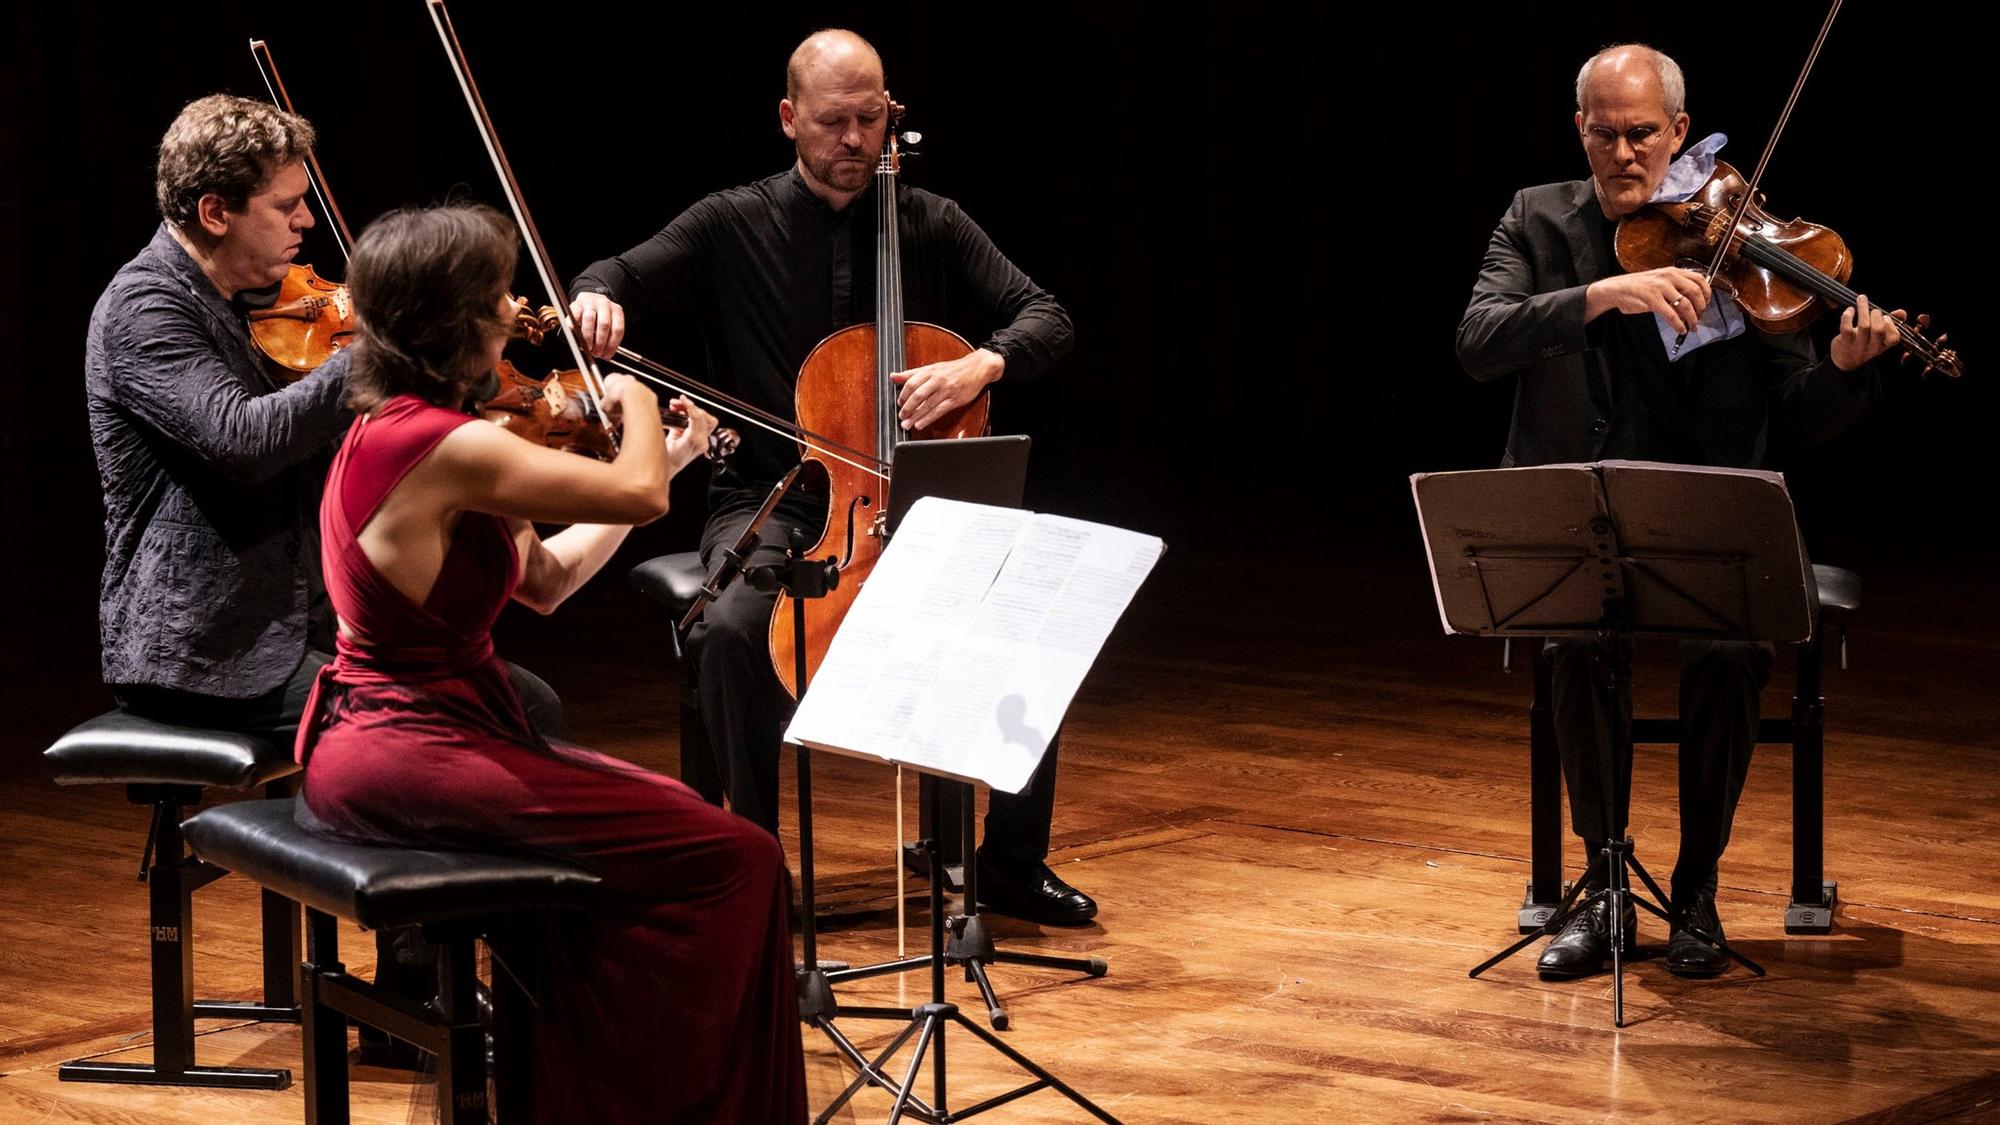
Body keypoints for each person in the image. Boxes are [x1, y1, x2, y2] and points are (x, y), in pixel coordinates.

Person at [292, 202, 806, 1122]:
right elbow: (637, 490)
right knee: (740, 856)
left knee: (685, 831)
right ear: (454, 319)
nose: (515, 310)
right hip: (404, 749)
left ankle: (585, 1093)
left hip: (428, 733)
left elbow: (547, 581)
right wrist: (638, 398)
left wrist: (680, 458)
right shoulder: (441, 444)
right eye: (496, 296)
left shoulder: (443, 432)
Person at [568, 29, 1094, 925]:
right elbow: (612, 273)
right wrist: (596, 297)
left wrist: (980, 367)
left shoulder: (929, 220)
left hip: (915, 501)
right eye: (833, 121)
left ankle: (1006, 859)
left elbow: (1046, 315)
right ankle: (754, 864)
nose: (856, 140)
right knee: (731, 629)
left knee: (1026, 621)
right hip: (774, 494)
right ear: (789, 119)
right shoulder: (730, 222)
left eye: (870, 118)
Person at [85, 92, 566, 1064]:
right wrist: (388, 347)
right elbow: (242, 436)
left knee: (516, 698)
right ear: (214, 211)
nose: (308, 224)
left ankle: (444, 977)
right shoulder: (144, 309)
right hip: (204, 645)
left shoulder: (253, 305)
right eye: (286, 205)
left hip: (292, 626)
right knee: (446, 718)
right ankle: (422, 999)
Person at [1455, 44, 1901, 979]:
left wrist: (1849, 374)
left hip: (1704, 524)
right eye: (1606, 134)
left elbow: (1800, 412)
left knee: (1734, 651)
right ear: (1580, 129)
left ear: (1680, 133)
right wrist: (1600, 295)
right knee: (1576, 643)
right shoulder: (1537, 220)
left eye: (1644, 135)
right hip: (1580, 520)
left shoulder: (1740, 245)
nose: (1625, 154)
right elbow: (1479, 340)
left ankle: (1695, 890)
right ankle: (1604, 889)